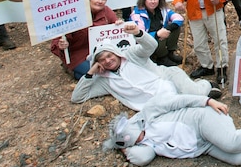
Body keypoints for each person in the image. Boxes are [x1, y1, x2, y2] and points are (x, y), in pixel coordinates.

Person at [102, 95, 241, 167]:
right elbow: (142, 158)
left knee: (232, 143)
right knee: (236, 159)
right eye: (133, 141)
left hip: (201, 119)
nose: (138, 139)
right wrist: (125, 151)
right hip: (201, 146)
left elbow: (178, 100)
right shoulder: (145, 146)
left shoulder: (149, 112)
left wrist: (207, 101)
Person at [72, 23, 220, 109]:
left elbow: (151, 46)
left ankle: (205, 85)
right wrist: (91, 72)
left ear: (116, 54)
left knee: (196, 96)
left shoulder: (130, 55)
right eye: (102, 60)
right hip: (156, 103)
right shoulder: (105, 81)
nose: (108, 61)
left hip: (168, 78)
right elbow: (77, 97)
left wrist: (138, 33)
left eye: (109, 56)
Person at [51, 0, 115, 79]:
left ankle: (80, 74)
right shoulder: (74, 14)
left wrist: (118, 24)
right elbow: (57, 40)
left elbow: (116, 25)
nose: (100, 1)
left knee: (113, 69)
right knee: (98, 73)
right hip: (78, 54)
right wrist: (60, 45)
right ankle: (72, 70)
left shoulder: (106, 11)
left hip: (100, 51)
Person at [131, 0, 184, 66]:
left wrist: (168, 28)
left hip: (162, 36)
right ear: (144, 0)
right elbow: (140, 35)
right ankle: (161, 58)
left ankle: (170, 53)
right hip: (147, 43)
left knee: (175, 27)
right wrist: (157, 34)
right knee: (160, 35)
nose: (153, 2)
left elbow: (179, 18)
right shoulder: (137, 14)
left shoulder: (162, 10)